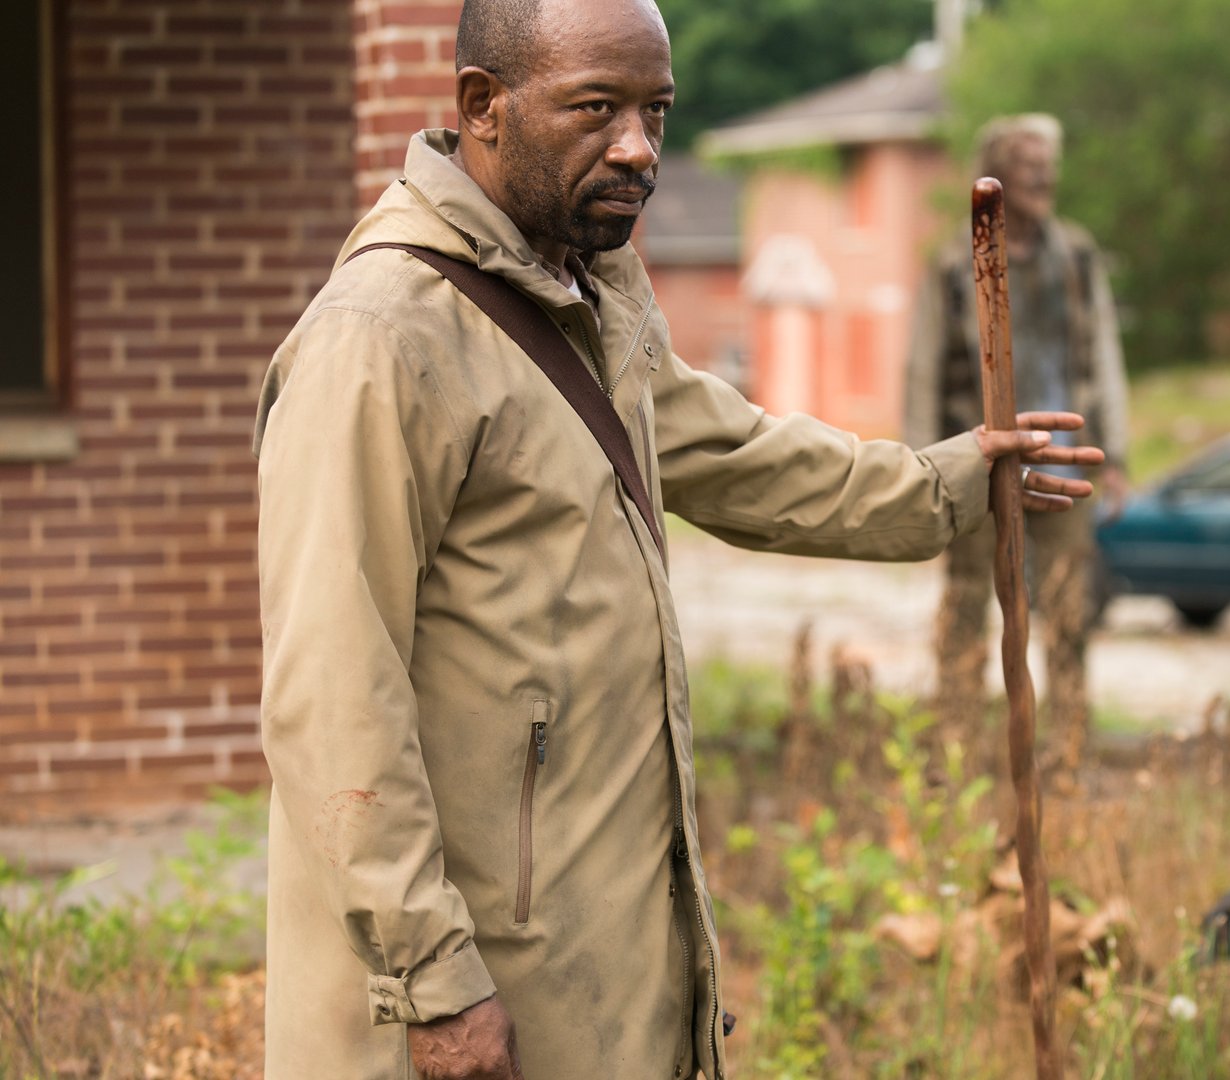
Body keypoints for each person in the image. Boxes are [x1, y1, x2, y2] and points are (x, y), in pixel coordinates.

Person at [250, 1, 1105, 1076]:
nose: (639, 148)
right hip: (465, 988)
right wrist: (434, 981)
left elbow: (741, 455)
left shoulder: (591, 290)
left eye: (656, 110)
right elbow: (331, 694)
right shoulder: (381, 341)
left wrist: (953, 480)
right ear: (483, 107)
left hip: (591, 960)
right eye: (596, 109)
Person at [904, 114, 1130, 771]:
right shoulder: (955, 258)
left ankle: (1068, 750)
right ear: (998, 172)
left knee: (1068, 610)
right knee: (969, 606)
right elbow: (920, 369)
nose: (1045, 176)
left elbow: (1105, 353)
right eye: (1030, 163)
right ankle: (957, 747)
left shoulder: (1077, 256)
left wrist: (1115, 452)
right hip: (977, 463)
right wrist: (924, 470)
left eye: (1050, 164)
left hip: (1063, 461)